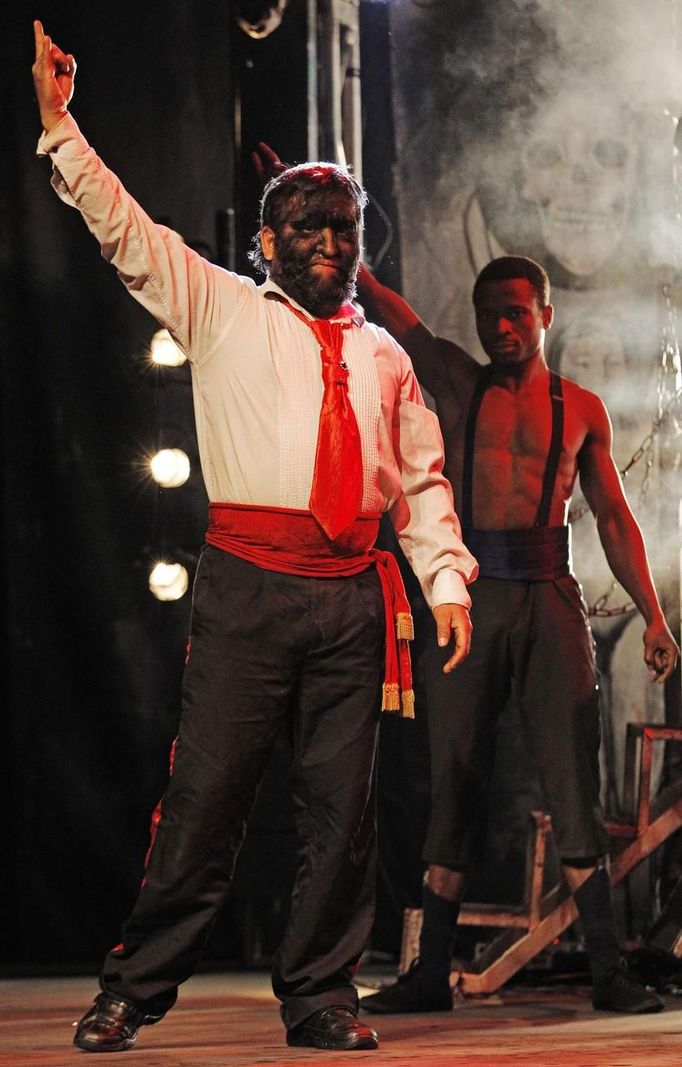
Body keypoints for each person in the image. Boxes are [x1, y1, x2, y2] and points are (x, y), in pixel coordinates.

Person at [31, 20, 478, 1055]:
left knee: (344, 812)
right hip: (248, 589)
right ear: (269, 242)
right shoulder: (225, 309)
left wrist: (445, 583)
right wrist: (59, 127)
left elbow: (418, 482)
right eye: (308, 230)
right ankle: (133, 990)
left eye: (344, 230)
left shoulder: (385, 361)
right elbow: (129, 231)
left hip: (352, 600)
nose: (329, 247)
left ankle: (321, 995)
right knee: (205, 804)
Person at [356, 255, 680, 1016]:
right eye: (489, 315)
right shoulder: (459, 384)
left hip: (548, 596)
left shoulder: (582, 409)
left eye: (516, 314)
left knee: (572, 774)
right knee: (455, 772)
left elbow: (612, 518)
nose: (501, 328)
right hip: (471, 596)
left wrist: (655, 615)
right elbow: (398, 318)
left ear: (545, 315)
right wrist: (352, 256)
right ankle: (430, 971)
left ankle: (607, 969)